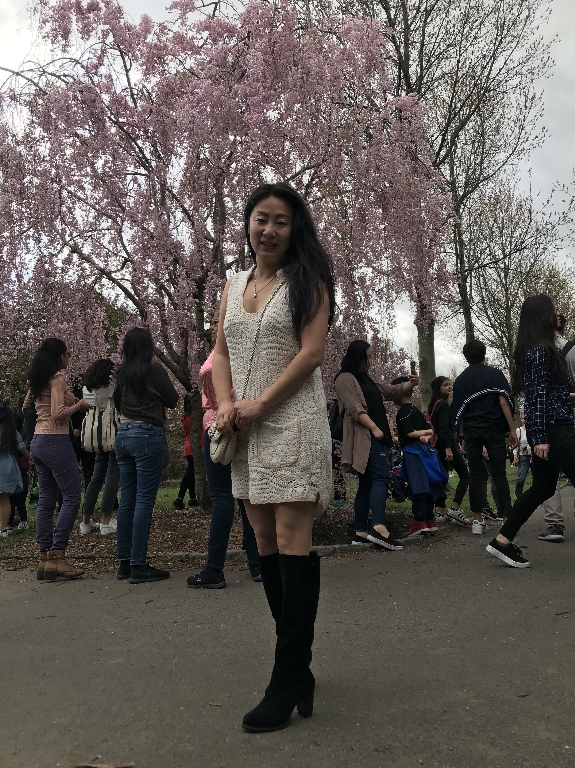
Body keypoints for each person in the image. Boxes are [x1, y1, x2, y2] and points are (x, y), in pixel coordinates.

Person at [212, 182, 334, 733]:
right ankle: (298, 670)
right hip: (245, 429)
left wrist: (261, 401)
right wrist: (226, 403)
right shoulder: (232, 284)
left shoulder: (308, 282)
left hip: (293, 421)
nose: (269, 230)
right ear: (248, 223)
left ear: (294, 229)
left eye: (281, 221)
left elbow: (312, 353)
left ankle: (285, 678)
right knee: (263, 543)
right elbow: (220, 352)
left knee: (290, 539)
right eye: (261, 218)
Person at [486, 295, 575, 568]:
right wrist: (540, 438)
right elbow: (535, 398)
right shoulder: (539, 351)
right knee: (541, 488)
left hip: (553, 427)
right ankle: (502, 541)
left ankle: (502, 541)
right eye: (552, 310)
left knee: (542, 488)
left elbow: (548, 394)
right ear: (541, 316)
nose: (556, 314)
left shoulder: (541, 349)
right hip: (553, 431)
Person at [187, 313, 261, 588]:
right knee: (244, 497)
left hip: (220, 426)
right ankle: (257, 564)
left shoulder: (219, 357)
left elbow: (209, 379)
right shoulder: (242, 353)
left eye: (218, 320)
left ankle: (215, 568)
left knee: (226, 497)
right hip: (237, 424)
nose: (213, 325)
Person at [113, 327, 179, 584]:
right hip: (147, 434)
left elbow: (117, 401)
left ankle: (124, 562)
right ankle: (139, 563)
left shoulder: (121, 372)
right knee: (143, 500)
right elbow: (172, 399)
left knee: (127, 499)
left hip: (123, 433)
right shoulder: (153, 369)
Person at [334, 340, 414, 549]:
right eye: (368, 356)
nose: (371, 360)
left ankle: (360, 531)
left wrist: (410, 384)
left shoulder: (368, 379)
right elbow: (354, 408)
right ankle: (378, 527)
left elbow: (392, 391)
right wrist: (374, 428)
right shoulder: (344, 379)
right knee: (381, 476)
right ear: (358, 356)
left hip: (376, 437)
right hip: (366, 436)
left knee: (367, 482)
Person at [25, 338, 90, 580]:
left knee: (46, 500)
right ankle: (57, 555)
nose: (70, 356)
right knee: (71, 497)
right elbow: (57, 413)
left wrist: (71, 398)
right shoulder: (58, 377)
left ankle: (44, 558)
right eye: (67, 353)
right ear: (60, 356)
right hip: (55, 441)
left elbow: (27, 405)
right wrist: (78, 406)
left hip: (38, 442)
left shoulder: (39, 379)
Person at [451, 339, 518, 536]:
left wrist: (462, 436)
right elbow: (504, 402)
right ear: (484, 354)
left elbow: (460, 411)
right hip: (494, 429)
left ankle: (477, 520)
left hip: (472, 431)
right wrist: (512, 429)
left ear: (465, 357)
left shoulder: (460, 381)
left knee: (475, 475)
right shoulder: (495, 375)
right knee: (499, 474)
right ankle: (506, 519)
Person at [394, 377, 447, 537]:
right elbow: (430, 430)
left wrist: (420, 434)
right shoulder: (416, 410)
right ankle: (429, 519)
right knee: (428, 484)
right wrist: (425, 435)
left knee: (417, 485)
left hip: (412, 452)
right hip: (424, 451)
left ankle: (419, 521)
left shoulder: (403, 412)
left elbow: (409, 432)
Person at [80, 358, 120, 536]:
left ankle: (85, 521)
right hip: (110, 435)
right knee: (112, 476)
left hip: (95, 437)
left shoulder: (86, 390)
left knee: (95, 478)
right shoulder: (111, 389)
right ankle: (106, 520)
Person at [428, 376, 470, 524]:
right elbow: (444, 428)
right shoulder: (443, 405)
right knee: (465, 474)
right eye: (445, 385)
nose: (449, 387)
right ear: (438, 388)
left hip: (437, 445)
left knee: (443, 477)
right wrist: (448, 448)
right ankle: (455, 508)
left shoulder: (434, 405)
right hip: (446, 445)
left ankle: (441, 511)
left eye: (449, 384)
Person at [0, 404, 32, 538]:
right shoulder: (11, 431)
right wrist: (30, 458)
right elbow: (22, 448)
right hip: (7, 467)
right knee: (4, 499)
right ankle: (3, 529)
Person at [173, 394, 199, 509]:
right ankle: (179, 498)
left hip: (188, 446)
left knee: (191, 474)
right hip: (195, 447)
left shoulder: (185, 417)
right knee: (189, 473)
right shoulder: (194, 418)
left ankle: (193, 498)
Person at [8, 411, 30, 530]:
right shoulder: (19, 436)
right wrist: (30, 458)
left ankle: (9, 523)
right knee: (20, 500)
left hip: (11, 473)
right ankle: (23, 521)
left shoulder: (7, 436)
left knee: (10, 500)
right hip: (22, 472)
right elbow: (23, 449)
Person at [513, 414, 531, 497]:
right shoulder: (519, 430)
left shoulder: (533, 430)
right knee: (521, 477)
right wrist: (515, 455)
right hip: (523, 456)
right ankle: (518, 493)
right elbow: (514, 444)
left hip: (533, 455)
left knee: (537, 477)